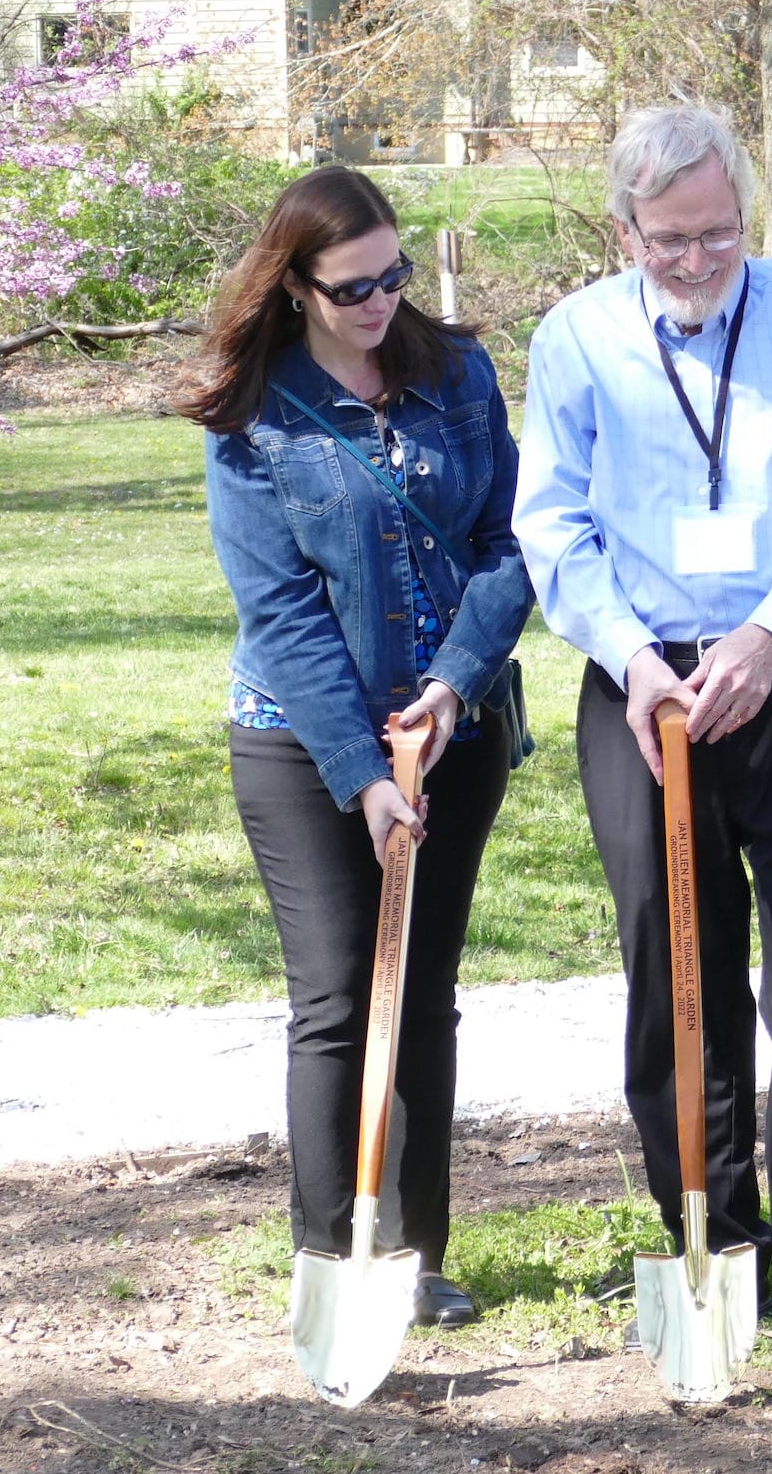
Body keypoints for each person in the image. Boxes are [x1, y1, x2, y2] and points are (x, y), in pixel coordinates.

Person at [512, 100, 772, 1365]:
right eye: (669, 241)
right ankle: (709, 1231)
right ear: (623, 226)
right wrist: (634, 659)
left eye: (718, 236)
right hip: (639, 688)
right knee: (669, 966)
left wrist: (767, 637)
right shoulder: (575, 337)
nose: (696, 263)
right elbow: (552, 523)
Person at [180, 165, 534, 1331]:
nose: (379, 302)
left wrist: (449, 687)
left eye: (392, 276)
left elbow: (507, 543)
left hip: (453, 728)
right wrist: (364, 775)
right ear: (295, 285)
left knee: (421, 993)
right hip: (302, 743)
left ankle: (412, 1252)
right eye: (351, 289)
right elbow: (278, 613)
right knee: (340, 998)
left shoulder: (458, 375)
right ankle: (330, 1257)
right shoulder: (254, 413)